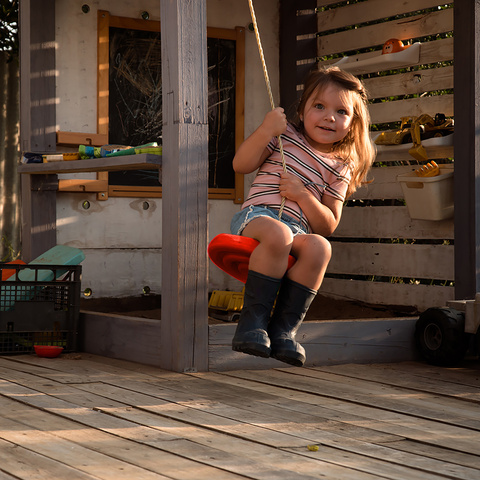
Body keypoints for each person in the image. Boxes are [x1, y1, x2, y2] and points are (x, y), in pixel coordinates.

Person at [230, 66, 375, 367]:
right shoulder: (286, 136)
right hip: (257, 218)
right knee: (279, 234)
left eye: (341, 111)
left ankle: (284, 331)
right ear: (302, 109)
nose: (329, 116)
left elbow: (328, 224)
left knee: (320, 247)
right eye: (319, 106)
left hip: (296, 229)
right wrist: (266, 130)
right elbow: (240, 164)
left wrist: (303, 195)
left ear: (352, 123)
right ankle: (252, 323)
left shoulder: (340, 166)